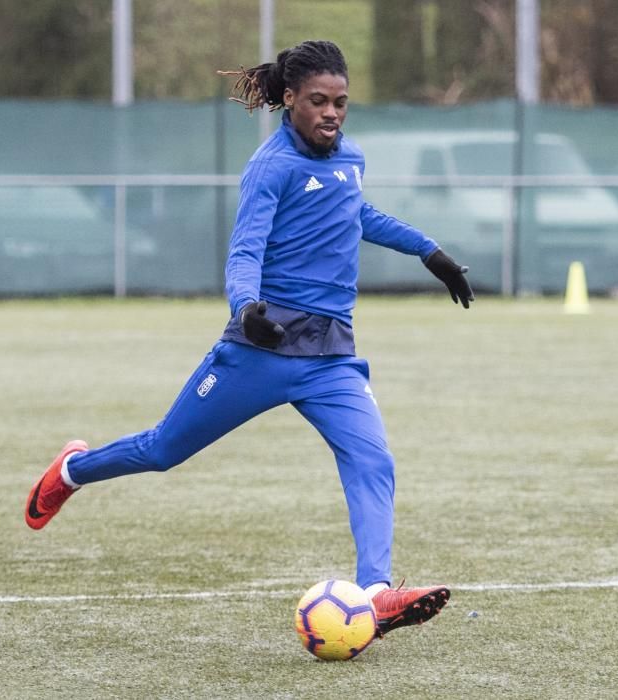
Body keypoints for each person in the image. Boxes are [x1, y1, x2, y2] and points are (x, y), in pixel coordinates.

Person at [25, 40, 473, 638]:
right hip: (260, 349)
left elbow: (356, 213)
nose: (332, 113)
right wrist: (247, 308)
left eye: (341, 102)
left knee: (372, 460)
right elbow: (244, 251)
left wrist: (429, 251)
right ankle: (74, 471)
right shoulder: (271, 167)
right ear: (289, 100)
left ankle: (374, 594)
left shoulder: (350, 159)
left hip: (330, 357)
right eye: (318, 101)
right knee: (162, 451)